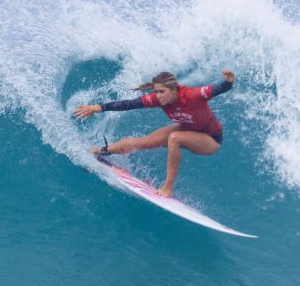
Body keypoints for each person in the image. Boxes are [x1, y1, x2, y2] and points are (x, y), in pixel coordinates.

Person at [73, 69, 235, 197]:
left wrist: (228, 81)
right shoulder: (158, 99)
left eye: (162, 92)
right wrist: (97, 108)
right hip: (188, 128)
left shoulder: (192, 95)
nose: (158, 96)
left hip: (211, 139)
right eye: (156, 91)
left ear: (174, 90)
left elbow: (219, 88)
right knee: (141, 142)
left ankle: (168, 188)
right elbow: (130, 104)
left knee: (174, 138)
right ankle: (100, 153)